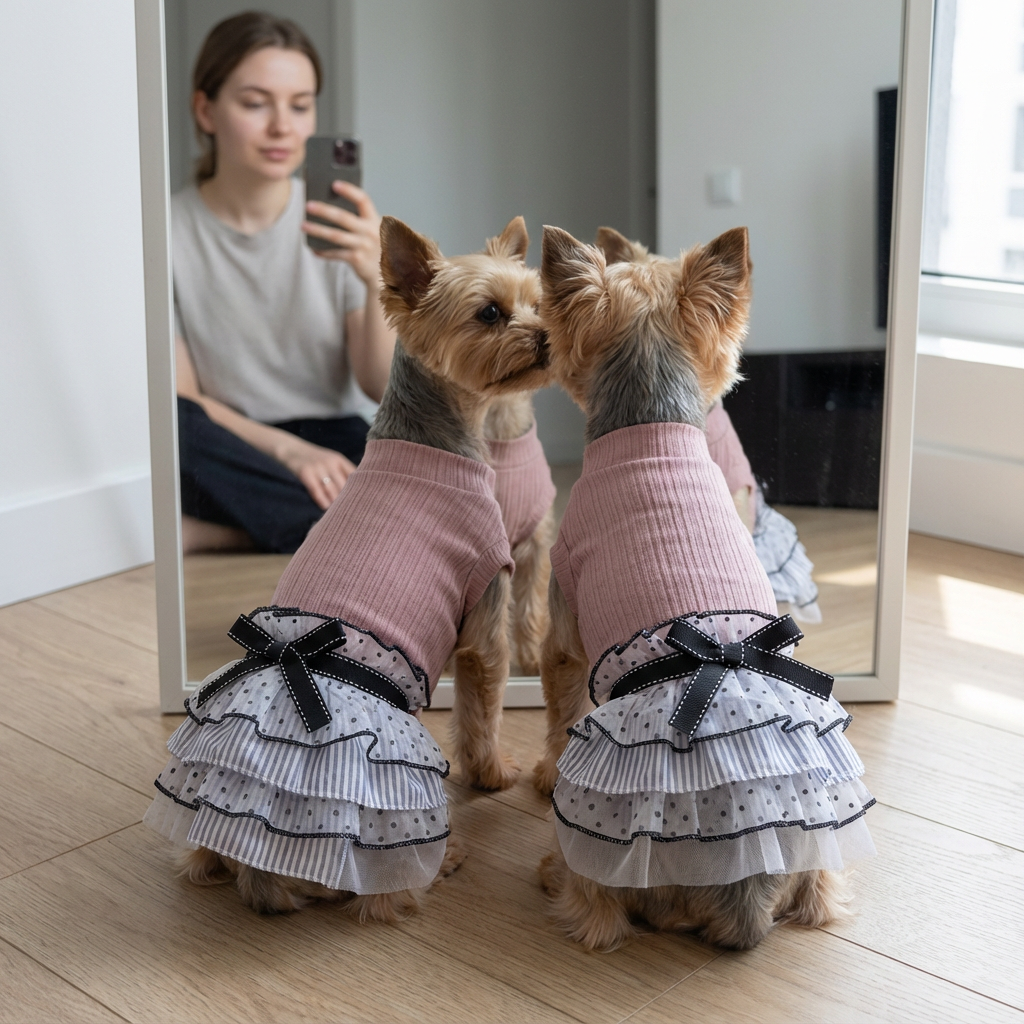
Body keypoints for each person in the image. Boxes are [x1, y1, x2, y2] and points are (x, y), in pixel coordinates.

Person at [173, 12, 396, 554]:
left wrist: (374, 279)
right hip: (227, 441)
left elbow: (379, 387)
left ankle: (210, 533)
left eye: (300, 106)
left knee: (415, 462)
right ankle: (341, 531)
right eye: (255, 103)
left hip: (332, 432)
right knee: (167, 424)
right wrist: (288, 454)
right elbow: (183, 399)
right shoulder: (165, 233)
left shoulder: (340, 224)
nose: (283, 127)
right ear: (206, 110)